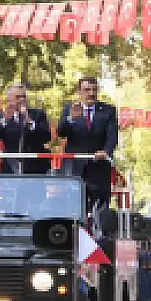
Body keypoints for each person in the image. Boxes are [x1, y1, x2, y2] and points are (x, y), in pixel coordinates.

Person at [55, 76, 118, 214]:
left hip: (99, 167)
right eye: (87, 90)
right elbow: (61, 133)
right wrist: (71, 119)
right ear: (79, 92)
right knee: (73, 207)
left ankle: (99, 234)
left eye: (94, 90)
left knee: (100, 210)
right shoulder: (69, 108)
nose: (91, 93)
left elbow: (112, 136)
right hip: (75, 168)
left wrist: (106, 151)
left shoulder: (108, 110)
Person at [0, 82, 52, 174]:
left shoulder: (38, 114)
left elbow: (46, 137)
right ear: (9, 99)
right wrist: (4, 120)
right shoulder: (1, 117)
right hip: (10, 169)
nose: (22, 100)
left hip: (35, 169)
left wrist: (30, 122)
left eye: (24, 97)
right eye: (18, 97)